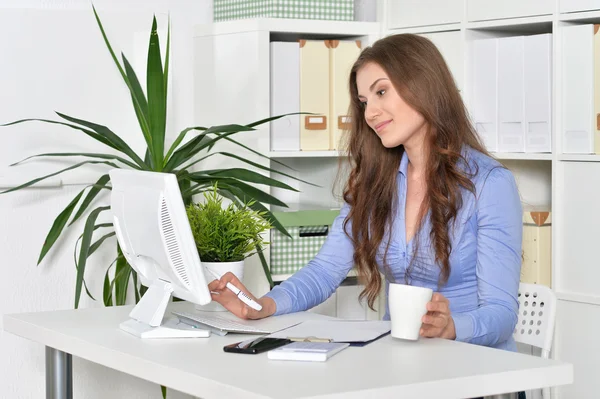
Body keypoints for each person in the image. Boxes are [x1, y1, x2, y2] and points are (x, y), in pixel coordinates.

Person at [209, 33, 523, 352]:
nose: (370, 113)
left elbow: (502, 314)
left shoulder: (489, 184)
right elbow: (324, 270)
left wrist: (453, 327)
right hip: (401, 361)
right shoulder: (376, 183)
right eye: (364, 102)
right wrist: (262, 306)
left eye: (381, 92)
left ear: (424, 84)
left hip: (475, 367)